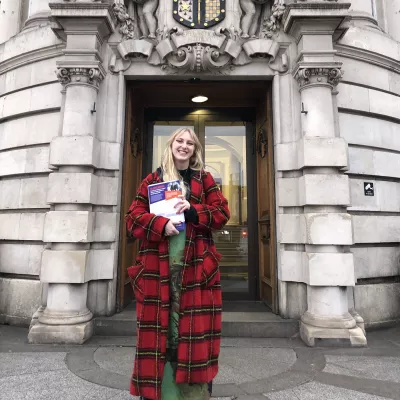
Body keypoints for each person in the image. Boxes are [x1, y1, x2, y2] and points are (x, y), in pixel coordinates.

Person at [125, 127, 230, 400]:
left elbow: (222, 213)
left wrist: (194, 210)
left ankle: (193, 395)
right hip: (157, 269)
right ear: (171, 144)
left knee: (192, 335)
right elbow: (132, 217)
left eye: (189, 143)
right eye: (179, 141)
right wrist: (160, 224)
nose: (184, 146)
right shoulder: (153, 179)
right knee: (161, 334)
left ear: (194, 150)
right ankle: (161, 394)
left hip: (195, 270)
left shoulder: (204, 179)